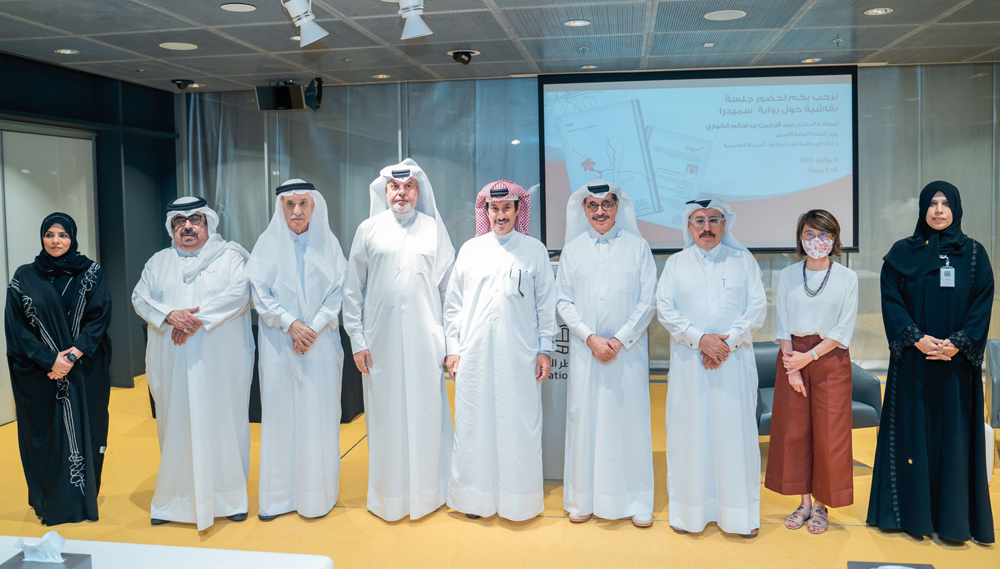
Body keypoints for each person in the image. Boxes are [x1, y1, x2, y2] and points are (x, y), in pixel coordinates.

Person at [868, 181, 995, 544]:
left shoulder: (973, 254)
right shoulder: (901, 253)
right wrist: (917, 339)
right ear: (923, 209)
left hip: (956, 367)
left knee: (953, 439)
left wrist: (957, 344)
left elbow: (983, 302)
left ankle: (954, 520)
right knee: (912, 438)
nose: (938, 210)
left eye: (945, 203)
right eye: (932, 204)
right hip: (913, 363)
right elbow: (891, 299)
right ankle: (912, 517)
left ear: (956, 207)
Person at [131, 196, 254, 530]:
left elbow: (240, 293)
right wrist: (170, 316)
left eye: (195, 220)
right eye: (179, 222)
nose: (187, 227)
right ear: (172, 228)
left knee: (224, 421)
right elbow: (140, 297)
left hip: (219, 357)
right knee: (175, 422)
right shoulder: (158, 262)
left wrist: (192, 321)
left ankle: (230, 498)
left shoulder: (230, 256)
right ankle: (174, 501)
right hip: (172, 359)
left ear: (208, 223)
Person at [343, 159, 455, 521]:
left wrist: (451, 346)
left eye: (408, 186)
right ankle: (389, 496)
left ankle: (429, 494)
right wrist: (357, 340)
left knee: (427, 414)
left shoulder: (434, 230)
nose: (401, 192)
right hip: (380, 344)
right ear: (385, 191)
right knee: (386, 416)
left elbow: (449, 294)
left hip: (427, 342)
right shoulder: (368, 229)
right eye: (395, 186)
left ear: (418, 191)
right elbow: (351, 290)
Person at [443, 180, 557, 522]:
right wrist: (452, 349)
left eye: (507, 208)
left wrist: (545, 350)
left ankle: (517, 501)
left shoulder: (534, 249)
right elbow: (453, 307)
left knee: (517, 424)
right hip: (473, 355)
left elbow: (546, 307)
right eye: (494, 208)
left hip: (519, 354)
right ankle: (474, 500)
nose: (501, 215)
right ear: (486, 211)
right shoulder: (470, 250)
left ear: (518, 210)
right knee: (473, 424)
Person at [655, 199, 766, 538]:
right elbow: (665, 309)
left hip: (733, 364)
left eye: (714, 220)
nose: (706, 227)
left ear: (724, 224)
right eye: (699, 220)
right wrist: (701, 339)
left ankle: (738, 516)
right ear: (688, 227)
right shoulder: (676, 264)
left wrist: (726, 343)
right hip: (691, 364)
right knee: (691, 435)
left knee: (735, 436)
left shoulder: (742, 260)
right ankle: (691, 514)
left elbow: (757, 308)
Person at [556, 180, 656, 528]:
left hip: (626, 354)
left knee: (628, 423)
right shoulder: (572, 251)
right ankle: (582, 499)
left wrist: (619, 339)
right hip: (587, 355)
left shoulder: (638, 247)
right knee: (584, 423)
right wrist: (590, 339)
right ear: (583, 209)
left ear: (617, 207)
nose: (599, 211)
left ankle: (637, 499)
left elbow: (648, 301)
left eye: (606, 204)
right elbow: (563, 302)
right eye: (592, 205)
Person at [247, 179, 348, 522]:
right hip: (280, 345)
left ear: (313, 205)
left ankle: (318, 496)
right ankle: (277, 498)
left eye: (303, 203)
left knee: (318, 417)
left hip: (318, 347)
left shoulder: (329, 244)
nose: (297, 211)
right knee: (280, 417)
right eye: (290, 205)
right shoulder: (266, 244)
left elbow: (338, 292)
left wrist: (311, 328)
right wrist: (291, 324)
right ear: (281, 209)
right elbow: (259, 293)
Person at [5, 213, 112, 526]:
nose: (55, 241)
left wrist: (71, 357)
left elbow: (99, 316)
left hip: (84, 369)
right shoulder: (23, 277)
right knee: (44, 437)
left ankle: (81, 503)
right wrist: (49, 359)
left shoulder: (91, 272)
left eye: (63, 235)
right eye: (49, 234)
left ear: (72, 238)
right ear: (42, 237)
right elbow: (17, 328)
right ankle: (50, 503)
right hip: (39, 373)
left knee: (86, 432)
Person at [765, 210, 859, 535]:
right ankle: (804, 502)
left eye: (823, 235)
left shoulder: (847, 278)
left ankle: (821, 504)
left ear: (834, 239)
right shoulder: (789, 274)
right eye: (809, 235)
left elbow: (842, 329)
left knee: (830, 435)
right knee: (795, 432)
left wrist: (808, 359)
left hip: (829, 358)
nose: (816, 241)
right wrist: (792, 366)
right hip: (792, 359)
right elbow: (782, 324)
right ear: (800, 238)